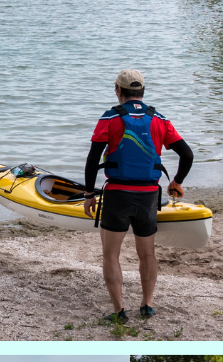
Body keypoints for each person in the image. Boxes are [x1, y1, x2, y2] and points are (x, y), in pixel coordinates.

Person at [81, 69, 194, 323]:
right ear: (142, 92)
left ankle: (119, 311)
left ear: (118, 91)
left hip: (118, 194)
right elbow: (187, 155)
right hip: (148, 196)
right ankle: (147, 305)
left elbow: (92, 159)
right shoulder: (160, 120)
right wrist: (177, 182)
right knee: (147, 253)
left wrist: (89, 194)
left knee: (111, 254)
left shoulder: (109, 117)